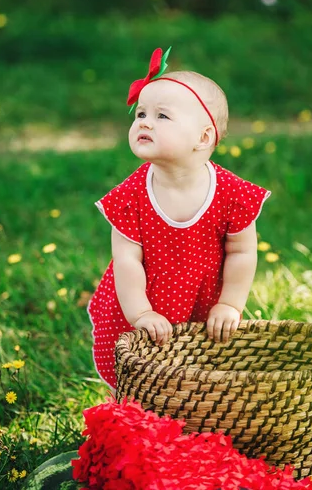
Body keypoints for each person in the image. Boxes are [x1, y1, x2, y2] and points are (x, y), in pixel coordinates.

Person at [88, 47, 271, 389]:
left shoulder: (232, 194)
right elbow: (126, 260)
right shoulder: (132, 195)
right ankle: (134, 420)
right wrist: (141, 313)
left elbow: (242, 252)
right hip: (139, 301)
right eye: (140, 113)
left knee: (196, 378)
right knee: (139, 376)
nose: (144, 121)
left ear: (203, 138)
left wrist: (230, 303)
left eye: (162, 116)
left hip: (203, 303)